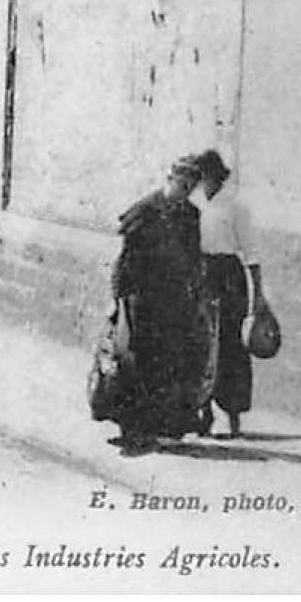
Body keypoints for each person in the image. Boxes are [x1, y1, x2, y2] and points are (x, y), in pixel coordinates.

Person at [105, 157, 216, 451]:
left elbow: (194, 259)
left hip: (175, 300)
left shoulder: (190, 215)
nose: (186, 191)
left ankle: (161, 426)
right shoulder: (144, 211)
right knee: (135, 360)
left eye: (191, 187)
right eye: (182, 185)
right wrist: (118, 302)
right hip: (140, 299)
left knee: (170, 361)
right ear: (170, 180)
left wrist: (198, 293)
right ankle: (132, 429)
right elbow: (124, 260)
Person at [192, 149, 256, 438]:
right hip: (203, 274)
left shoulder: (235, 207)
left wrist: (259, 297)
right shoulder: (196, 206)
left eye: (208, 177)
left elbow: (252, 255)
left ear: (218, 177)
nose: (205, 183)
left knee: (230, 346)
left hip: (229, 276)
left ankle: (234, 420)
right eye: (201, 178)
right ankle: (203, 415)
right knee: (201, 343)